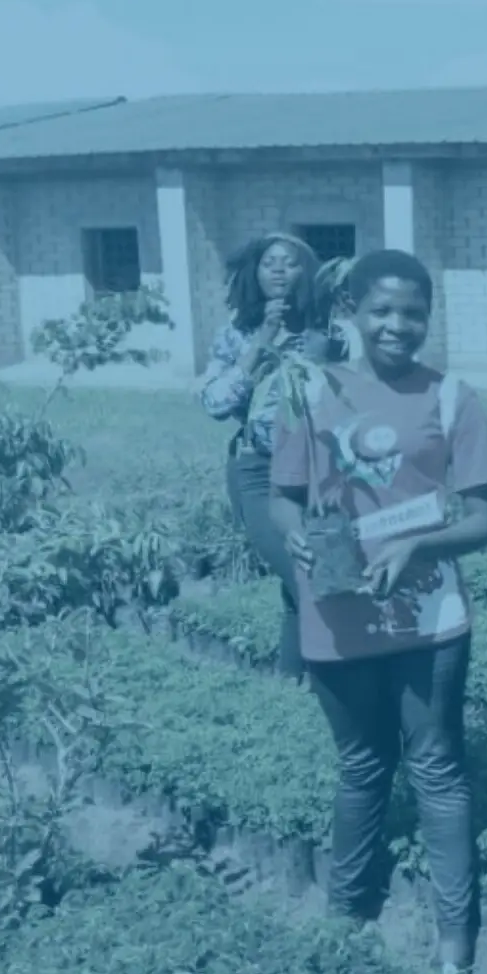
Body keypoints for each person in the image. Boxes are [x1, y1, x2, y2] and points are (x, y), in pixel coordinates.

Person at [268, 249, 487, 974]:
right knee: (362, 766)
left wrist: (417, 543)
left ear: (427, 319)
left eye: (412, 313)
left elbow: (486, 517)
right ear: (353, 313)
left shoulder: (453, 398)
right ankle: (346, 916)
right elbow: (284, 492)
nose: (397, 325)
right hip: (336, 610)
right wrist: (294, 535)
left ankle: (453, 945)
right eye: (382, 311)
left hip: (428, 612)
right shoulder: (311, 390)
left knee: (436, 769)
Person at [196, 232, 344, 682]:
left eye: (291, 262)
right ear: (255, 275)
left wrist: (321, 360)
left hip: (318, 474)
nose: (279, 270)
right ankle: (328, 691)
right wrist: (259, 344)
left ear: (308, 272)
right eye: (269, 263)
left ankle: (289, 689)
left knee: (295, 587)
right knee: (308, 580)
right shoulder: (236, 334)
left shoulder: (329, 336)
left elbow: (346, 405)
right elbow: (215, 404)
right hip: (258, 471)